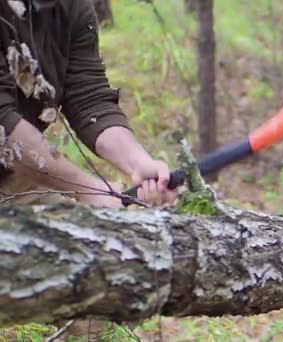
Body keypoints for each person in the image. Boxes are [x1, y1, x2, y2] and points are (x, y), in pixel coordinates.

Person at [0, 0, 177, 339]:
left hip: (10, 177)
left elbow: (88, 96)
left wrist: (138, 162)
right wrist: (86, 189)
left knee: (89, 273)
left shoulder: (72, 9)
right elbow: (2, 125)